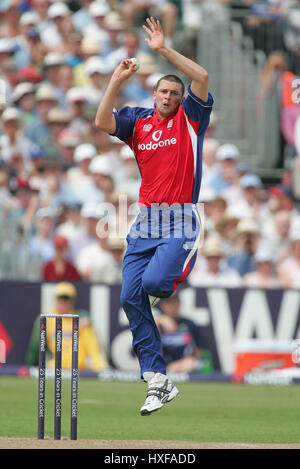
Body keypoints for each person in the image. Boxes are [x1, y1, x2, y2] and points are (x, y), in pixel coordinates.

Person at [95, 17, 213, 416]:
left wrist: (162, 49)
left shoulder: (190, 119)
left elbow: (202, 75)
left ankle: (183, 263)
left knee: (157, 284)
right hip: (146, 220)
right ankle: (157, 380)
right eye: (162, 91)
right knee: (130, 295)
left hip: (180, 218)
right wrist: (115, 80)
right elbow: (102, 122)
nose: (166, 96)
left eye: (172, 92)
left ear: (180, 98)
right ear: (154, 93)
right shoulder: (140, 121)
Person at [25, 281, 108, 372]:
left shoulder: (80, 317)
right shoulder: (47, 319)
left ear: (72, 301)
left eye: (67, 299)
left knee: (86, 326)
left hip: (80, 364)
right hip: (57, 364)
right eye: (61, 298)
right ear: (56, 299)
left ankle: (99, 366)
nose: (63, 302)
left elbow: (91, 337)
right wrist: (29, 367)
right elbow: (35, 346)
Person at [155, 294, 214, 374]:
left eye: (174, 303)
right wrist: (159, 321)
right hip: (159, 363)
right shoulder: (156, 324)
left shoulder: (188, 323)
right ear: (163, 306)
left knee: (192, 363)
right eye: (169, 304)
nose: (172, 307)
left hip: (181, 364)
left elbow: (199, 348)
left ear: (179, 304)